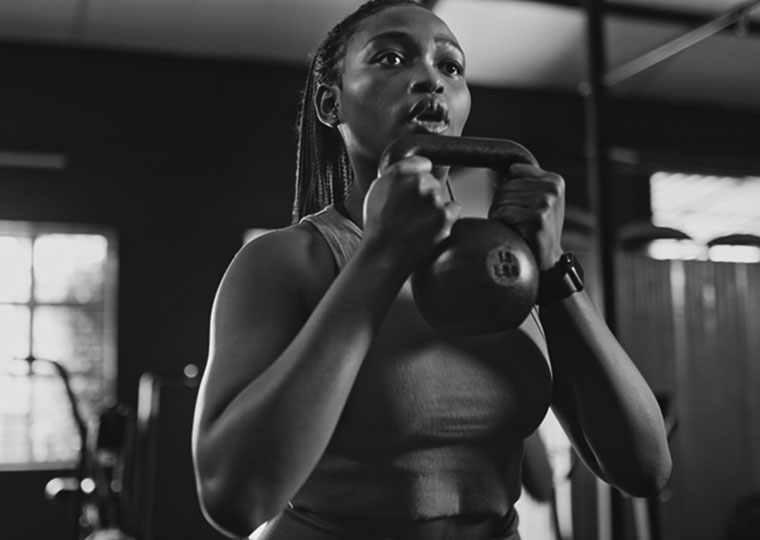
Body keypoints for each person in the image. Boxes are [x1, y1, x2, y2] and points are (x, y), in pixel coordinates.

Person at [191, 1, 672, 539]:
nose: (429, 79)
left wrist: (553, 268)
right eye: (392, 58)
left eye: (451, 67)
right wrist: (380, 256)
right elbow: (233, 497)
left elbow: (646, 468)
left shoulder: (507, 263)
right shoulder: (288, 261)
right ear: (332, 103)